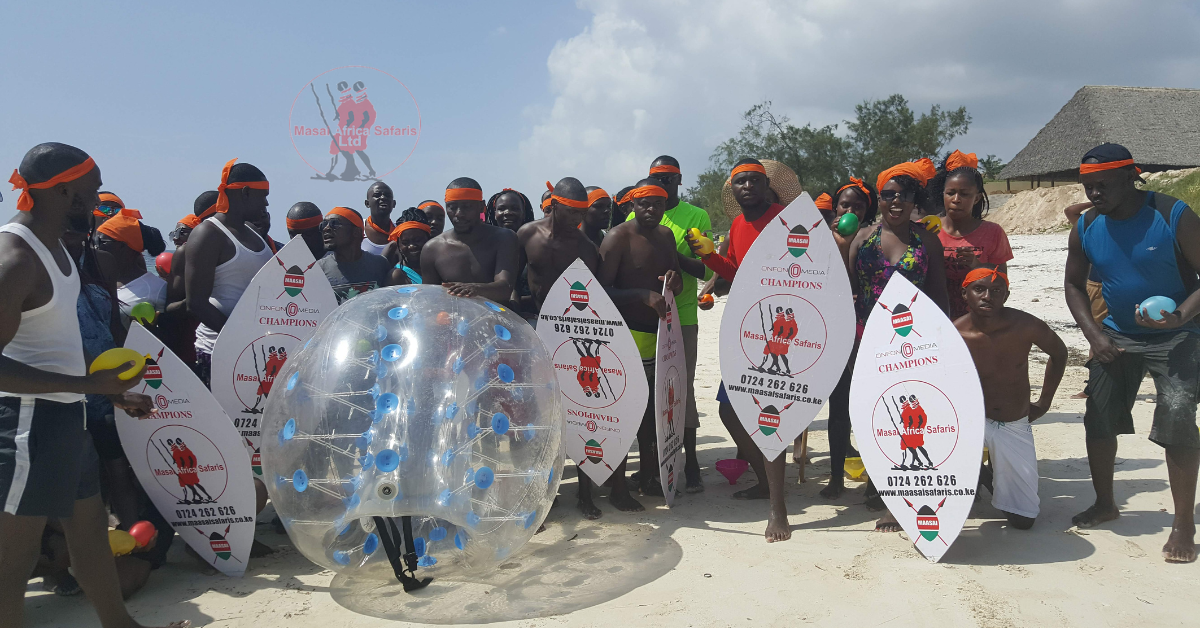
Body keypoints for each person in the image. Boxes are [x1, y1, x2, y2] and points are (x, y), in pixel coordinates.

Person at [0, 142, 187, 628]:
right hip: (26, 425)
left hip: (66, 418)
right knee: (11, 566)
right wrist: (88, 382)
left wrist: (107, 391)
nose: (99, 196)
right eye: (92, 188)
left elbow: (54, 341)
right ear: (66, 193)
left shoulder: (58, 249)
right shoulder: (15, 257)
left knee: (89, 541)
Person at [1064, 143, 1200, 563]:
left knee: (1177, 415)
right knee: (1099, 415)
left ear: (1130, 177)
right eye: (1088, 186)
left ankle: (1182, 524)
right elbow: (1073, 285)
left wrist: (1179, 317)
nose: (1095, 194)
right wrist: (1095, 336)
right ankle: (1105, 503)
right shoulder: (1086, 225)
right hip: (1116, 335)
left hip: (1179, 334)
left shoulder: (1172, 215)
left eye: (1102, 185)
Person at [831, 157, 949, 532]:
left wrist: (942, 347)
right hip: (867, 342)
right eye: (888, 195)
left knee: (906, 420)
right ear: (878, 200)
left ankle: (900, 499)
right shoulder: (862, 239)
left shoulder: (926, 240)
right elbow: (844, 291)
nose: (896, 202)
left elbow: (940, 299)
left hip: (914, 345)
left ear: (916, 199)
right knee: (873, 417)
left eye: (905, 195)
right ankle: (878, 483)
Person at [686, 159, 792, 541]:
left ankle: (777, 510)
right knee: (730, 410)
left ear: (767, 186)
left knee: (771, 413)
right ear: (733, 190)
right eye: (740, 182)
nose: (746, 186)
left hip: (782, 327)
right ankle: (767, 483)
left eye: (753, 180)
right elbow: (733, 271)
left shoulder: (785, 219)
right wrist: (707, 256)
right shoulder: (736, 225)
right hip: (748, 326)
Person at [184, 159, 274, 545]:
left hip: (254, 357)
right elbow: (195, 302)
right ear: (245, 192)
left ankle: (247, 527)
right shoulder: (209, 233)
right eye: (263, 195)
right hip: (219, 354)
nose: (267, 203)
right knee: (227, 446)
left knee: (255, 445)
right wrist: (238, 336)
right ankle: (222, 536)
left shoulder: (256, 237)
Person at [956, 266, 1066, 529]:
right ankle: (976, 473)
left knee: (1023, 520)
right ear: (965, 294)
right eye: (979, 289)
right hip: (969, 423)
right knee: (954, 509)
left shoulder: (1025, 326)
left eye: (996, 291)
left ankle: (985, 476)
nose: (987, 297)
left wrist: (1044, 402)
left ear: (1006, 296)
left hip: (1012, 422)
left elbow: (1059, 353)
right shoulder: (954, 333)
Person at [518, 178, 603, 515]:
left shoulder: (584, 247)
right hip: (536, 326)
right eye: (571, 212)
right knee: (540, 416)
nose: (577, 219)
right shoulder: (527, 234)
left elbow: (595, 298)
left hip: (574, 333)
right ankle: (543, 496)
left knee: (580, 413)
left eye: (582, 213)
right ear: (553, 204)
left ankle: (586, 494)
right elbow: (512, 281)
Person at [626, 156, 711, 492]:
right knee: (648, 392)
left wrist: (675, 260)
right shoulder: (636, 214)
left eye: (668, 178)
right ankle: (653, 466)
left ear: (679, 180)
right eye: (655, 177)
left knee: (681, 389)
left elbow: (706, 269)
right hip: (645, 318)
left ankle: (691, 466)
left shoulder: (696, 215)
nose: (661, 183)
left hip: (683, 314)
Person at [599, 178, 682, 511]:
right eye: (644, 203)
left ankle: (649, 477)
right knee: (624, 414)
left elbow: (673, 272)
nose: (651, 210)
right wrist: (639, 295)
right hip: (624, 335)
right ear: (632, 205)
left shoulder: (665, 235)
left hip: (658, 338)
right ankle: (618, 488)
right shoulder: (617, 238)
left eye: (658, 204)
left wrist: (673, 280)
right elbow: (601, 292)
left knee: (652, 414)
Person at [819, 177, 879, 498]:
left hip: (865, 327)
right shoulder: (820, 239)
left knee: (867, 403)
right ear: (835, 208)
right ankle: (835, 477)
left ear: (867, 210)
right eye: (846, 205)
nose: (851, 210)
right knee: (838, 404)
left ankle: (874, 480)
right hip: (833, 328)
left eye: (858, 206)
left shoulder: (875, 238)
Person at [930, 151, 1013, 320]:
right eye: (950, 193)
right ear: (943, 194)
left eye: (965, 194)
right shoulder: (928, 229)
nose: (956, 199)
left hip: (977, 322)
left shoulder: (992, 232)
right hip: (935, 318)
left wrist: (977, 266)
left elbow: (1001, 285)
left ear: (977, 198)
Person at [421, 178, 518, 303]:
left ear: (481, 207)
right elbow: (430, 299)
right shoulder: (432, 248)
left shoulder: (504, 238)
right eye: (452, 207)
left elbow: (505, 289)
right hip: (452, 320)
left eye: (467, 207)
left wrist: (475, 289)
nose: (459, 214)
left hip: (495, 320)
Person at [95, 210, 167, 324]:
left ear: (124, 246)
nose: (96, 246)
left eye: (101, 241)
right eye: (94, 240)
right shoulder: (93, 280)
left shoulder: (157, 288)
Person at [316, 206, 393, 303]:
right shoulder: (319, 269)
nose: (326, 229)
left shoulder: (380, 264)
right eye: (323, 225)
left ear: (356, 232)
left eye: (334, 223)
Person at [487, 189, 537, 318]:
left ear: (523, 212)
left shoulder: (535, 244)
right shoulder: (484, 245)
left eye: (515, 208)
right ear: (494, 213)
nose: (508, 213)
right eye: (502, 209)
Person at [386, 208, 432, 285]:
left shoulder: (439, 266)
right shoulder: (397, 276)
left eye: (417, 240)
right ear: (398, 244)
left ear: (428, 239)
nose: (411, 246)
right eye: (405, 242)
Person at [362, 182, 396, 256]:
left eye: (388, 195)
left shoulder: (400, 231)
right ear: (367, 203)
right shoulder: (358, 229)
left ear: (394, 204)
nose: (383, 198)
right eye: (377, 195)